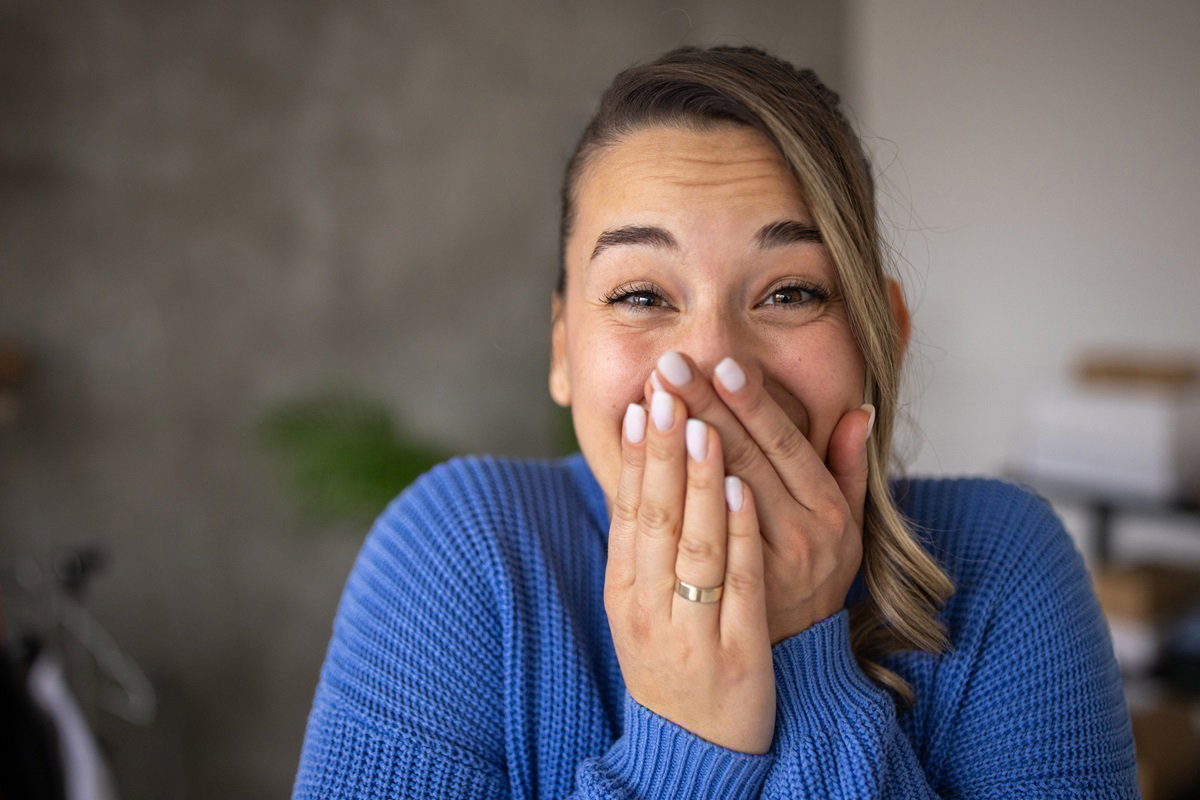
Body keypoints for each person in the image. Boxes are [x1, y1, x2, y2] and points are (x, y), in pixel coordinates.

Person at [293, 46, 1139, 798]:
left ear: (887, 337)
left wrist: (804, 651)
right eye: (640, 295)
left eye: (790, 291)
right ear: (562, 349)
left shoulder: (1005, 564)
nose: (710, 364)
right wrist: (688, 745)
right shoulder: (461, 550)